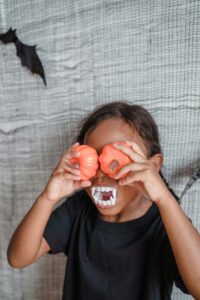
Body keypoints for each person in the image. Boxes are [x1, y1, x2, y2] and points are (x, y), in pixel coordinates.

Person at [7, 101, 200, 300]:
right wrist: (48, 198)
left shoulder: (167, 222)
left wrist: (165, 200)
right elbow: (18, 258)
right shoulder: (78, 209)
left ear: (152, 165)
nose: (100, 175)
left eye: (116, 161)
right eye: (92, 161)